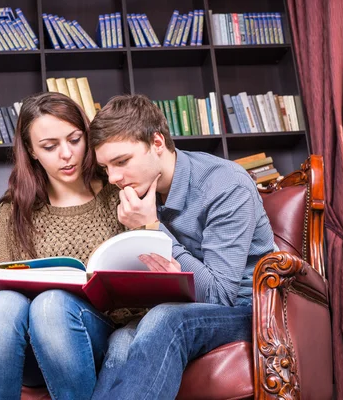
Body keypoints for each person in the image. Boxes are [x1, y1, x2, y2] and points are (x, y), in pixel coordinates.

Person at [89, 94, 276, 399]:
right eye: (105, 167)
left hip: (249, 309)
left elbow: (220, 296)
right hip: (184, 306)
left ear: (157, 143)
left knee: (166, 320)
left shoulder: (225, 184)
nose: (114, 178)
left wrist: (151, 229)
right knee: (121, 338)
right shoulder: (139, 192)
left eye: (121, 162)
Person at [0, 92, 124, 400]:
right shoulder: (15, 209)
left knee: (52, 304)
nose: (66, 154)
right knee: (2, 305)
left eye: (75, 139)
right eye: (50, 146)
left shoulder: (117, 194)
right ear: (31, 151)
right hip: (32, 352)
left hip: (97, 336)